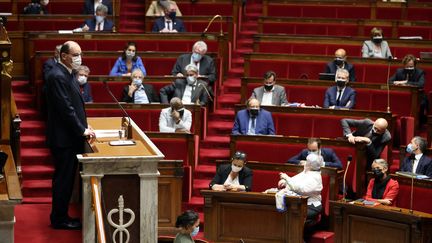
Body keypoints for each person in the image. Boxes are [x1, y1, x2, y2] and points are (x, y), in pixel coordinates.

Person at [45, 41, 95, 230]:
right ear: (64, 56)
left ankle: (62, 215)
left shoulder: (68, 73)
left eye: (80, 54)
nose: (79, 58)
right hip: (63, 139)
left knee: (66, 180)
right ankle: (59, 219)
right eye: (75, 55)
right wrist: (81, 129)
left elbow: (75, 104)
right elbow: (66, 109)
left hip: (69, 136)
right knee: (63, 180)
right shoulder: (57, 75)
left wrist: (84, 124)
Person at [278, 153, 323, 225]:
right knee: (283, 212)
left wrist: (287, 178)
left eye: (307, 161)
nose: (305, 162)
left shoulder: (316, 177)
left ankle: (294, 235)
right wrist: (285, 182)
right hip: (299, 203)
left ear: (311, 165)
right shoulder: (307, 171)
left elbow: (301, 189)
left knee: (293, 214)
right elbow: (295, 180)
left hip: (311, 206)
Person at [389, 54, 427, 124]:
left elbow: (421, 84)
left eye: (411, 67)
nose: (409, 68)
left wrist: (406, 83)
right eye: (407, 67)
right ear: (404, 65)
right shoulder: (399, 71)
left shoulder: (420, 72)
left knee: (422, 103)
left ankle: (418, 123)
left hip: (417, 96)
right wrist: (398, 82)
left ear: (415, 66)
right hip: (402, 96)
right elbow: (389, 81)